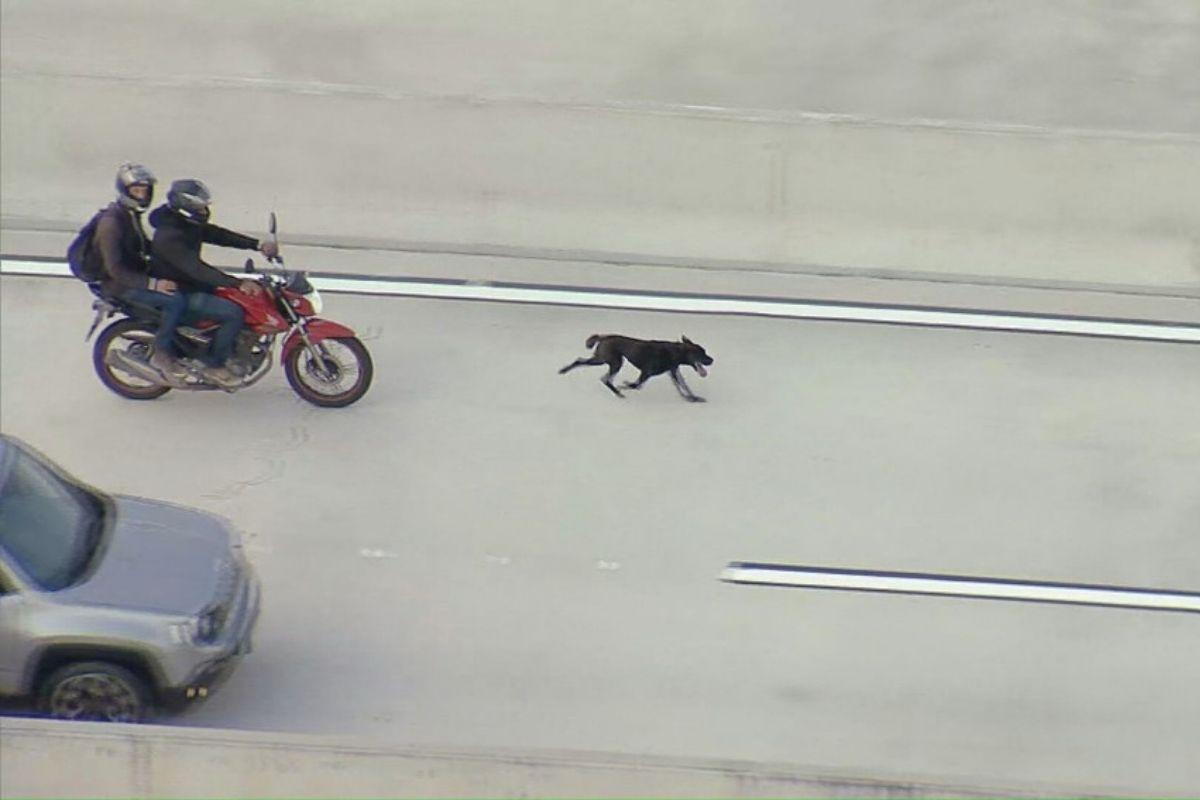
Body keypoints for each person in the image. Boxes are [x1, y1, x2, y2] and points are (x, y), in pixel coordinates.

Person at [147, 179, 277, 387]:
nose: (204, 210)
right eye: (199, 206)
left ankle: (228, 350)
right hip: (181, 291)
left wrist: (256, 245)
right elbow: (196, 269)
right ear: (186, 207)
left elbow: (217, 234)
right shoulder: (170, 235)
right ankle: (214, 365)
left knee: (239, 302)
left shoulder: (185, 224)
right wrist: (236, 283)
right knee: (233, 313)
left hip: (192, 284)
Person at [93, 162, 188, 380]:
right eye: (136, 190)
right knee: (175, 301)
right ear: (124, 191)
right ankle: (161, 353)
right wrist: (154, 284)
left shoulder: (129, 215)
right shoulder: (111, 223)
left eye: (144, 190)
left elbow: (144, 247)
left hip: (134, 278)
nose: (141, 195)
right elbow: (115, 269)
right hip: (120, 286)